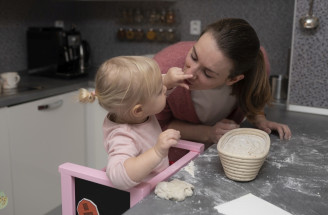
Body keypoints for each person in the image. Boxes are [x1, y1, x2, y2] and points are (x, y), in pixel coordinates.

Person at [154, 18, 292, 148]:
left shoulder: (255, 66)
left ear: (233, 79)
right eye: (193, 56)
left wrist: (260, 119)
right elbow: (157, 126)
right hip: (173, 155)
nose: (190, 73)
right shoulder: (162, 70)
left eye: (207, 73)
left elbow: (252, 94)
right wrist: (208, 133)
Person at [78, 56, 192, 190]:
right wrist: (156, 152)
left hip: (159, 181)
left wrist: (168, 81)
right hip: (143, 196)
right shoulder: (123, 136)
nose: (165, 89)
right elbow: (118, 177)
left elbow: (149, 96)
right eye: (159, 90)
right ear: (138, 110)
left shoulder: (136, 111)